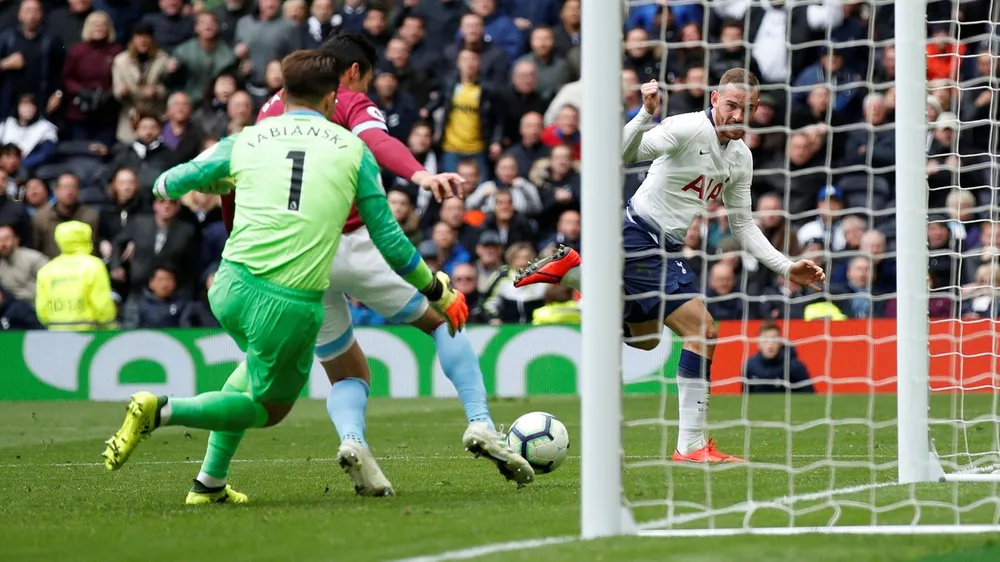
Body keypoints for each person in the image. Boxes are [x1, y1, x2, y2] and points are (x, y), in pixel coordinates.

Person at [100, 50, 469, 506]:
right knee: (268, 409)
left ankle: (208, 484)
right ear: (334, 97)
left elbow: (168, 183)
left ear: (283, 91)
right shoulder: (353, 150)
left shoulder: (245, 139)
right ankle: (162, 409)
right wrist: (436, 289)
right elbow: (391, 244)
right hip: (287, 303)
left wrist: (217, 185)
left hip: (230, 286)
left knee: (251, 373)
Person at [221, 33, 535, 493]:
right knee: (446, 318)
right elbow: (377, 140)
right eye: (367, 78)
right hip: (352, 242)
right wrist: (422, 174)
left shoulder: (274, 108)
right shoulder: (347, 101)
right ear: (352, 72)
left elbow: (231, 179)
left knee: (348, 370)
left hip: (296, 260)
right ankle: (481, 423)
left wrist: (236, 236)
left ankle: (352, 441)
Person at [514, 68, 825, 463]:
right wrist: (644, 114)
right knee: (704, 329)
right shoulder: (686, 128)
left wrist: (785, 266)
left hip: (665, 246)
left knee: (644, 340)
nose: (737, 115)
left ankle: (577, 273)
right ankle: (691, 445)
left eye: (747, 108)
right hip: (638, 234)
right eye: (731, 105)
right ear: (715, 99)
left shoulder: (741, 157)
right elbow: (622, 153)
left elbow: (743, 224)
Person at [35, 221, 116, 331]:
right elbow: (102, 303)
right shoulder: (94, 266)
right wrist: (109, 327)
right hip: (89, 331)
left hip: (56, 330)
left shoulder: (47, 269)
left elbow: (41, 307)